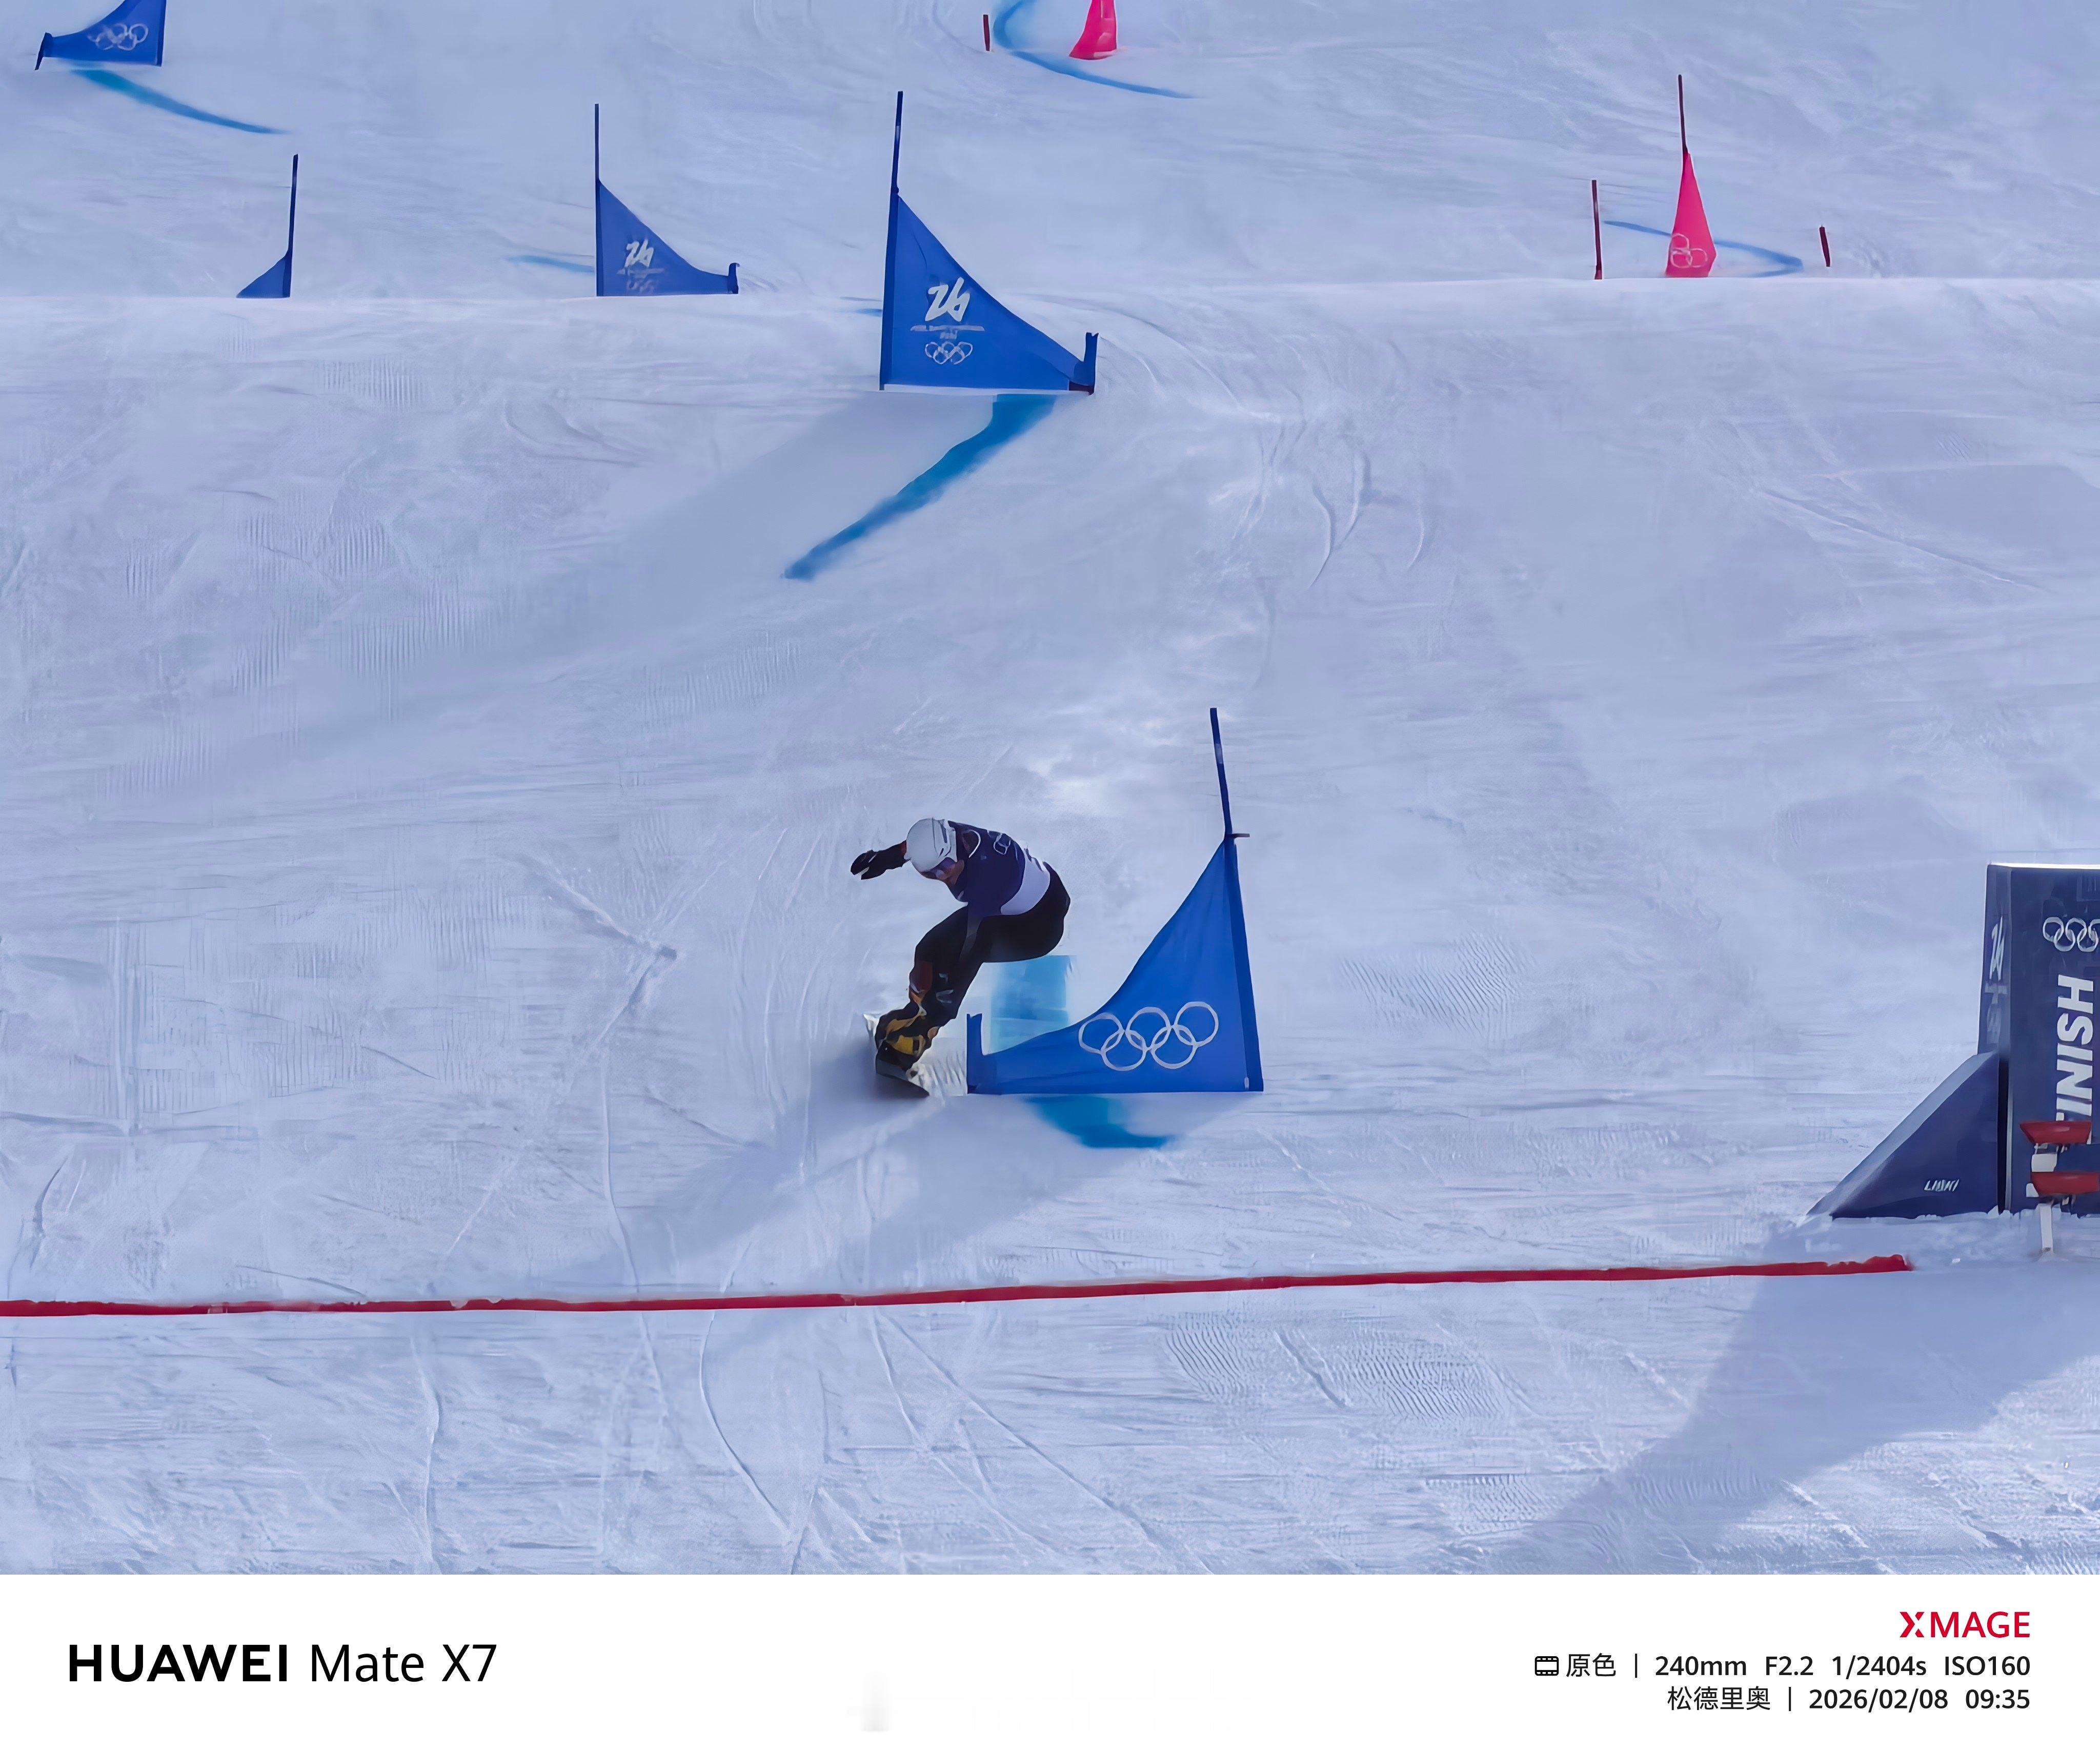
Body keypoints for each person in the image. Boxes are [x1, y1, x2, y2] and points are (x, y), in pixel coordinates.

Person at [851, 818, 1069, 1075]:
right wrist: (885, 858)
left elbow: (970, 953)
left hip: (1038, 928)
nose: (944, 876)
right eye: (933, 873)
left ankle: (918, 1037)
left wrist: (942, 1005)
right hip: (1021, 902)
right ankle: (913, 1014)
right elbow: (910, 848)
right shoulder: (948, 836)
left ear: (953, 851)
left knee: (947, 965)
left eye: (946, 867)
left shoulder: (987, 879)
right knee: (927, 951)